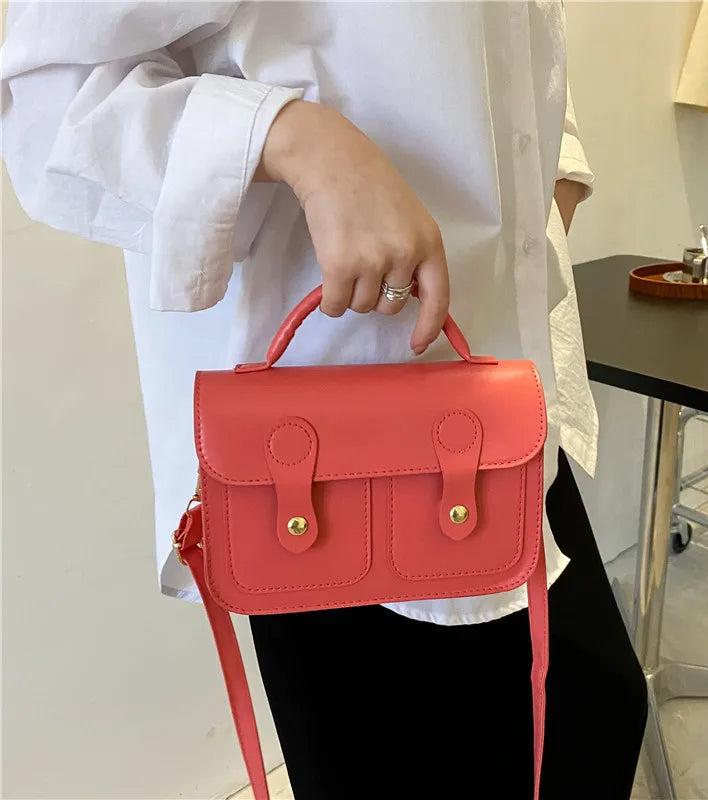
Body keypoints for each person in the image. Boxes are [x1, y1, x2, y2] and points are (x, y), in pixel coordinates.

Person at [1, 2, 647, 797]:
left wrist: (554, 173)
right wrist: (295, 140)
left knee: (593, 712)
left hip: (500, 383)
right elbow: (49, 98)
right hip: (321, 448)